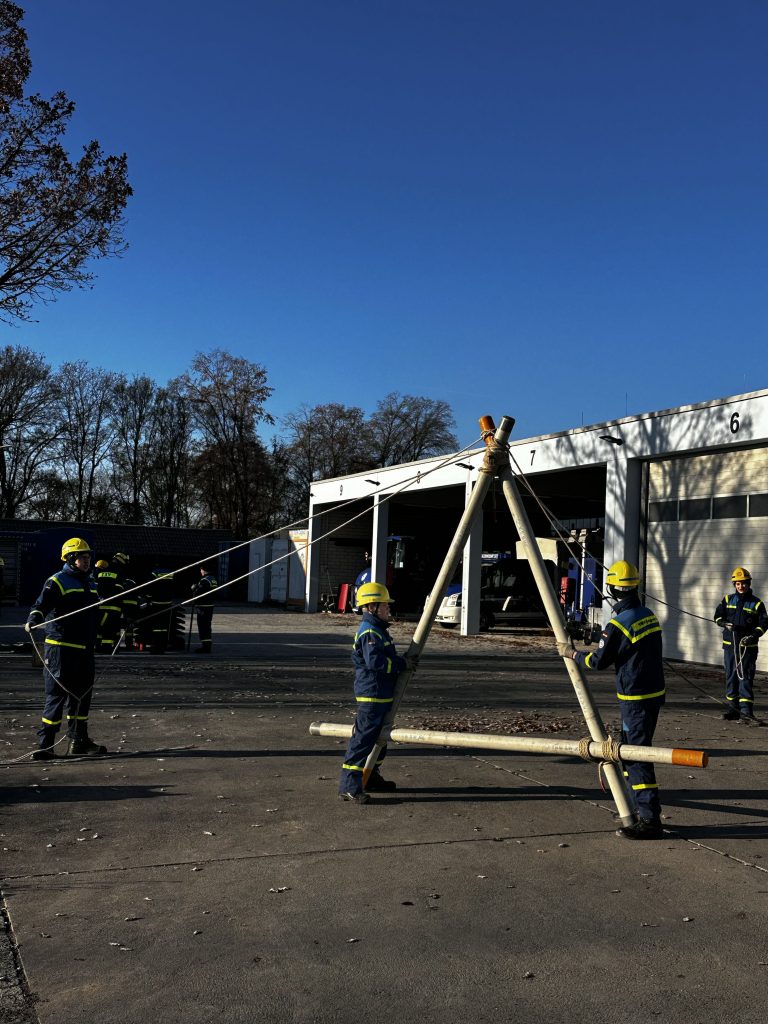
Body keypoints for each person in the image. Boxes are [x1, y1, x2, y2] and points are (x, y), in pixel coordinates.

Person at [558, 560, 665, 840]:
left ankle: (650, 821)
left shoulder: (619, 623)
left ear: (612, 589)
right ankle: (643, 813)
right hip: (653, 694)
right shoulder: (647, 614)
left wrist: (572, 653)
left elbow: (598, 661)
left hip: (635, 698)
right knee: (632, 751)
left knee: (635, 758)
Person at [25, 538, 107, 759]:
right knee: (56, 695)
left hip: (84, 649)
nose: (87, 561)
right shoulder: (58, 581)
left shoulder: (91, 583)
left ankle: (78, 741)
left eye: (88, 557)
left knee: (82, 696)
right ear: (70, 559)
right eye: (82, 557)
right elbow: (41, 605)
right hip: (61, 649)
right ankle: (46, 744)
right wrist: (34, 619)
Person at [338, 581, 414, 803]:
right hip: (372, 695)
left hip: (381, 693)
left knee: (380, 740)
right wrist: (401, 664)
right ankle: (349, 786)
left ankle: (370, 776)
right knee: (363, 741)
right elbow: (377, 663)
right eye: (384, 605)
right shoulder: (370, 632)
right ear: (372, 607)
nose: (388, 608)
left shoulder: (378, 630)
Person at [714, 567, 767, 723]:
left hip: (747, 649)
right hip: (730, 647)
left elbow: (764, 623)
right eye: (738, 584)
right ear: (734, 584)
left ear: (748, 583)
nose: (741, 586)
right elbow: (717, 616)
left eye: (743, 583)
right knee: (731, 678)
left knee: (746, 679)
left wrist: (753, 636)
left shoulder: (757, 604)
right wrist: (723, 623)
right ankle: (733, 710)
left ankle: (746, 712)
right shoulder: (727, 600)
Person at [94, 557, 124, 653]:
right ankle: (108, 648)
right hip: (113, 607)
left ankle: (98, 646)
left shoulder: (97, 575)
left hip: (99, 607)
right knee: (110, 630)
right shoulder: (117, 574)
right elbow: (120, 590)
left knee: (99, 629)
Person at [190, 563, 218, 653]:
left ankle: (205, 647)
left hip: (203, 607)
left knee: (202, 626)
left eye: (201, 570)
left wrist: (194, 589)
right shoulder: (213, 580)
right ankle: (207, 645)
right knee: (207, 626)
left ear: (204, 570)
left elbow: (199, 594)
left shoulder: (204, 580)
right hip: (210, 606)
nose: (200, 572)